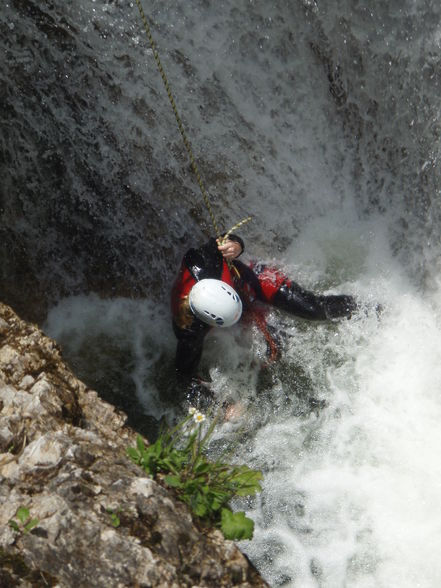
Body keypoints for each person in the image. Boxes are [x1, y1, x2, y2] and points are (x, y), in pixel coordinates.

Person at [171, 234, 357, 387]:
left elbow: (225, 239)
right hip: (234, 303)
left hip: (251, 278)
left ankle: (361, 306)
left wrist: (236, 245)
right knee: (269, 354)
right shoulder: (190, 331)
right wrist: (224, 409)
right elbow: (184, 381)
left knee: (314, 309)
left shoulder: (206, 260)